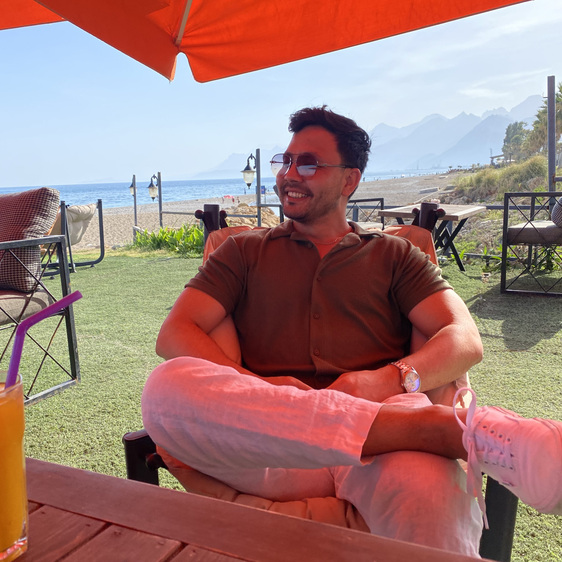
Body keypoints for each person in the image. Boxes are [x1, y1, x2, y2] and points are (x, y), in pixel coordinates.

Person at [142, 106, 492, 555]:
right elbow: (174, 334)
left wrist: (385, 381)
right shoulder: (243, 252)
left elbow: (464, 338)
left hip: (380, 449)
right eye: (286, 161)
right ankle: (441, 429)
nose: (289, 174)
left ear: (349, 180)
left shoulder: (394, 256)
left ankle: (421, 429)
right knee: (165, 387)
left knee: (432, 492)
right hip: (270, 447)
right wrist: (261, 391)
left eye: (308, 164)